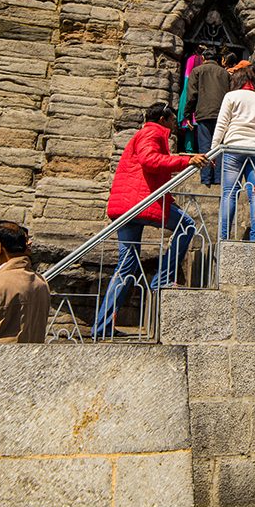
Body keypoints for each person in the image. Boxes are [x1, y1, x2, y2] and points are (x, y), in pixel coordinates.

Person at [93, 102, 209, 338]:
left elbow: (148, 176)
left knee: (126, 266)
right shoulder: (152, 133)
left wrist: (168, 198)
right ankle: (162, 278)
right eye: (172, 118)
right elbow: (150, 162)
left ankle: (101, 328)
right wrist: (186, 160)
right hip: (140, 204)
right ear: (164, 118)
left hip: (128, 205)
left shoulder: (144, 133)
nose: (174, 123)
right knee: (187, 225)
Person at [212, 66, 255, 241]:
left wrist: (214, 150)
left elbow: (222, 124)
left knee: (230, 192)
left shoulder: (231, 96)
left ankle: (224, 237)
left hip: (234, 147)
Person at [184, 49, 230, 186]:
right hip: (222, 114)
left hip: (204, 113)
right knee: (220, 146)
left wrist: (187, 114)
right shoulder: (224, 73)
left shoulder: (197, 71)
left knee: (205, 146)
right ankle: (218, 178)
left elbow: (192, 95)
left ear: (203, 57)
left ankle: (206, 178)